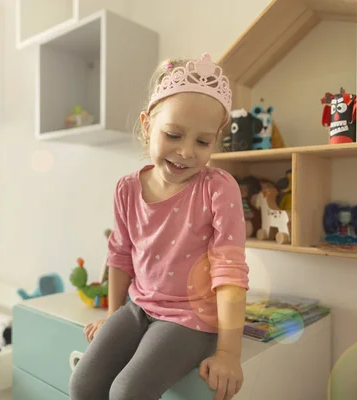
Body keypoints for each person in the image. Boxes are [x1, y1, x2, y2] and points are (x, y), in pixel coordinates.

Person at [69, 54, 249, 400]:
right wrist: (113, 313)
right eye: (174, 134)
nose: (185, 152)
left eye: (202, 142)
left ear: (215, 140)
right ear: (148, 126)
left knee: (126, 392)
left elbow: (230, 272)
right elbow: (121, 254)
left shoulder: (217, 187)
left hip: (191, 317)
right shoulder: (127, 188)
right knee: (82, 383)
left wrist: (228, 353)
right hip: (140, 306)